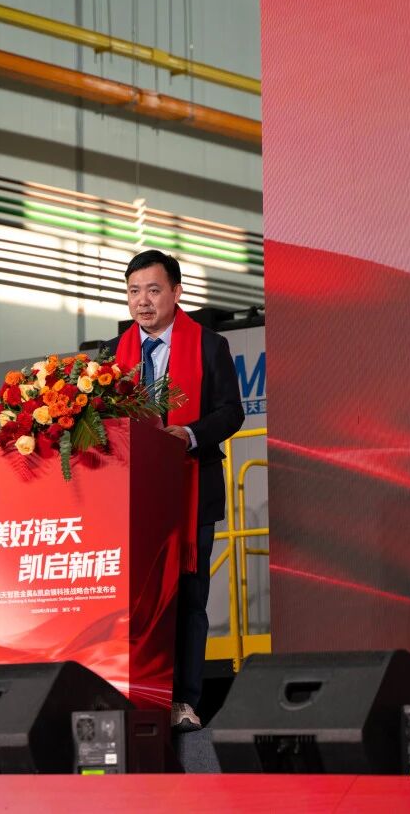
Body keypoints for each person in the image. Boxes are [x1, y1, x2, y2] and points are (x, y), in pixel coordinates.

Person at [103, 249, 244, 732]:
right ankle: (132, 699)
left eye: (153, 290)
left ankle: (183, 701)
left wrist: (189, 434)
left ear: (176, 292)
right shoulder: (112, 353)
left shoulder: (208, 345)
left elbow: (231, 412)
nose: (142, 301)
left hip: (191, 489)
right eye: (133, 291)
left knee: (187, 598)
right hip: (130, 496)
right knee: (131, 600)